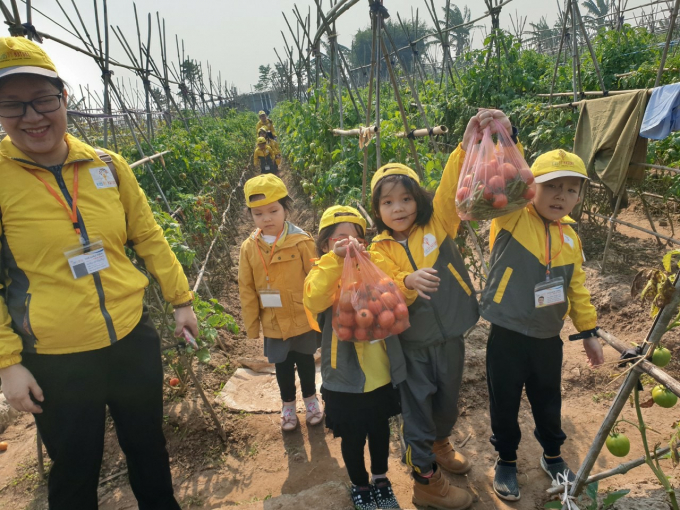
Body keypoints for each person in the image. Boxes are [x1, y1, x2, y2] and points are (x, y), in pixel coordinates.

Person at [0, 36, 198, 509]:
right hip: (55, 356)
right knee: (74, 468)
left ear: (64, 97)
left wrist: (181, 300)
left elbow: (148, 235)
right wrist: (8, 363)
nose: (32, 117)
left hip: (130, 338)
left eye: (43, 100)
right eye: (13, 106)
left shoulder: (107, 164)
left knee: (149, 448)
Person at [367, 112, 500, 510]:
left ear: (418, 200)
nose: (399, 208)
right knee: (418, 410)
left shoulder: (437, 226)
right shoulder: (378, 250)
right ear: (377, 211)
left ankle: (441, 444)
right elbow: (385, 285)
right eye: (388, 202)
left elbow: (449, 189)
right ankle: (425, 479)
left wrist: (465, 145)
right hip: (412, 345)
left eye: (406, 198)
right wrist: (407, 283)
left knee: (447, 402)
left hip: (451, 336)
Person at [480, 147, 604, 501]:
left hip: (548, 336)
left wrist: (588, 332)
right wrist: (506, 139)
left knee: (548, 401)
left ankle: (552, 455)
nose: (560, 196)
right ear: (531, 188)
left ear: (579, 196)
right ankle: (506, 459)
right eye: (551, 186)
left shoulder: (570, 236)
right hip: (507, 333)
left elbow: (576, 287)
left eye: (571, 189)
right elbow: (505, 179)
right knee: (503, 401)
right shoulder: (513, 217)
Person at [304, 205, 404, 510]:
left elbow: (394, 294)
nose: (350, 243)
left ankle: (381, 478)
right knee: (351, 435)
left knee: (379, 429)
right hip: (343, 375)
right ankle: (360, 483)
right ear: (325, 244)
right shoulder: (322, 271)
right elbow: (313, 298)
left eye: (356, 238)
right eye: (340, 238)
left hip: (379, 372)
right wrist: (336, 261)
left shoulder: (373, 265)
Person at [237, 174, 323, 431]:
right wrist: (253, 326)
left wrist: (321, 314)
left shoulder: (302, 241)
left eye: (274, 211)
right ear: (251, 216)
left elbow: (317, 277)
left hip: (302, 317)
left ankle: (311, 400)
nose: (267, 218)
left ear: (286, 209)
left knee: (306, 361)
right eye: (258, 214)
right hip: (273, 321)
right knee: (282, 366)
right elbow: (247, 289)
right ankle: (287, 406)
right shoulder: (249, 248)